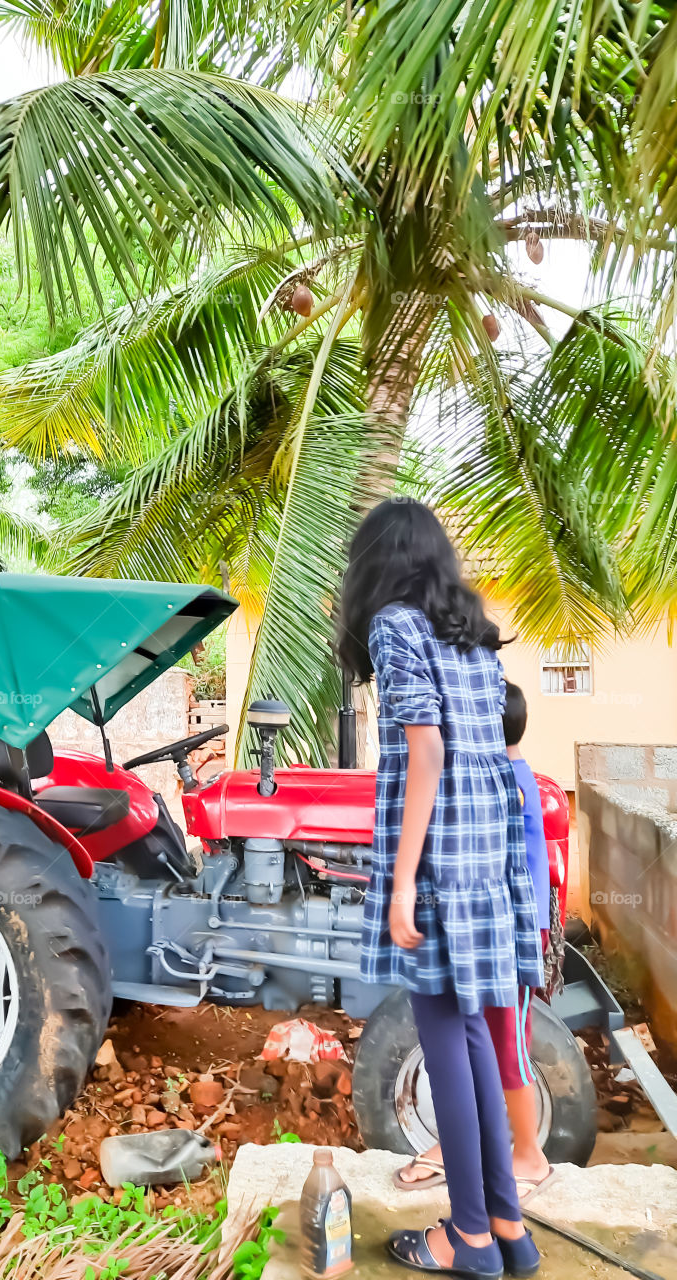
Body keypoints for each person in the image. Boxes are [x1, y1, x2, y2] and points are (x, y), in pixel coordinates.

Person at [337, 498, 542, 1279]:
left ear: (378, 562)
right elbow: (480, 754)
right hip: (488, 862)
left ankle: (467, 1238)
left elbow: (426, 753)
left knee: (447, 1047)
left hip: (438, 863)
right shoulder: (474, 638)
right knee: (475, 1041)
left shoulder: (396, 625)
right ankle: (504, 1228)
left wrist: (399, 885)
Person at [394, 680, 554, 1199]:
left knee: (507, 1047)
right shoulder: (498, 774)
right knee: (466, 1039)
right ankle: (459, 1145)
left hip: (512, 937)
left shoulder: (507, 782)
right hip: (484, 931)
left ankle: (529, 1155)